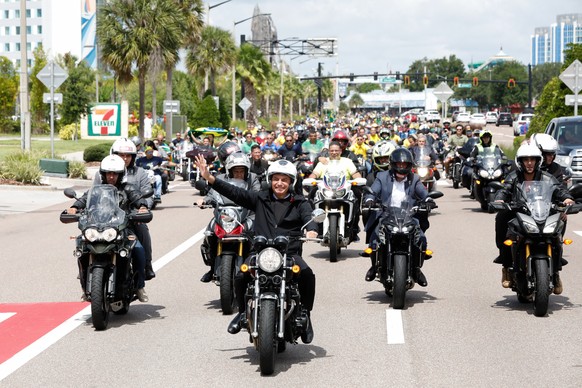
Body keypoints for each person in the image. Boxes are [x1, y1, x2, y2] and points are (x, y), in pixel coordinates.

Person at [194, 157, 318, 344]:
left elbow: (310, 217)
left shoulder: (300, 202)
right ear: (270, 180)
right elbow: (235, 192)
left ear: (291, 182)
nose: (280, 183)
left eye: (284, 180)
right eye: (276, 179)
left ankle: (306, 316)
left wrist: (312, 230)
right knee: (241, 275)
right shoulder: (260, 198)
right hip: (260, 252)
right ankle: (243, 313)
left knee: (307, 275)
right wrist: (209, 178)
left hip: (288, 254)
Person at [66, 155, 150, 302]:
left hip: (122, 230)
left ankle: (139, 286)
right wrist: (74, 208)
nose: (111, 176)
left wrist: (142, 207)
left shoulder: (128, 188)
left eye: (114, 173)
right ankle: (85, 287)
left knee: (138, 249)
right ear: (103, 174)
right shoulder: (96, 190)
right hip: (97, 229)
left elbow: (138, 198)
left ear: (120, 174)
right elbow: (84, 199)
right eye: (108, 173)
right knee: (82, 248)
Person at [493, 144, 574, 292]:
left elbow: (559, 189)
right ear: (520, 161)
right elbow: (505, 190)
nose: (529, 163)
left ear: (538, 161)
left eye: (533, 159)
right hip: (520, 212)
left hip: (541, 212)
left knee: (561, 217)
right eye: (526, 160)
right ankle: (506, 266)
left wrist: (567, 198)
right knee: (502, 218)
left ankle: (556, 272)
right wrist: (500, 200)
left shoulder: (546, 177)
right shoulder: (514, 176)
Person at [363, 147, 432, 286]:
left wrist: (428, 200)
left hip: (409, 215)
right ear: (393, 164)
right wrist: (370, 199)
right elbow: (373, 191)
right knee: (375, 238)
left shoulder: (415, 179)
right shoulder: (382, 177)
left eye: (405, 165)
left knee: (421, 240)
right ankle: (374, 266)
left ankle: (417, 270)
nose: (402, 167)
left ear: (409, 166)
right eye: (399, 165)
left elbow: (423, 193)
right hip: (386, 214)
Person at [196, 152, 260, 283]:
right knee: (210, 232)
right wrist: (204, 200)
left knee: (257, 235)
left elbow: (257, 194)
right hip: (225, 214)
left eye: (242, 171)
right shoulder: (220, 178)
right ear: (229, 171)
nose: (239, 174)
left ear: (247, 171)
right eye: (235, 171)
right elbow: (212, 193)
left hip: (246, 215)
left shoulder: (252, 178)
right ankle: (213, 267)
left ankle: (256, 266)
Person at [108, 138, 156, 280]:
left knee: (142, 233)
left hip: (131, 218)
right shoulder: (104, 173)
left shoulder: (139, 173)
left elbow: (148, 194)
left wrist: (143, 208)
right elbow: (93, 193)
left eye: (128, 155)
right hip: (106, 219)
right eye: (121, 155)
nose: (124, 158)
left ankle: (146, 266)